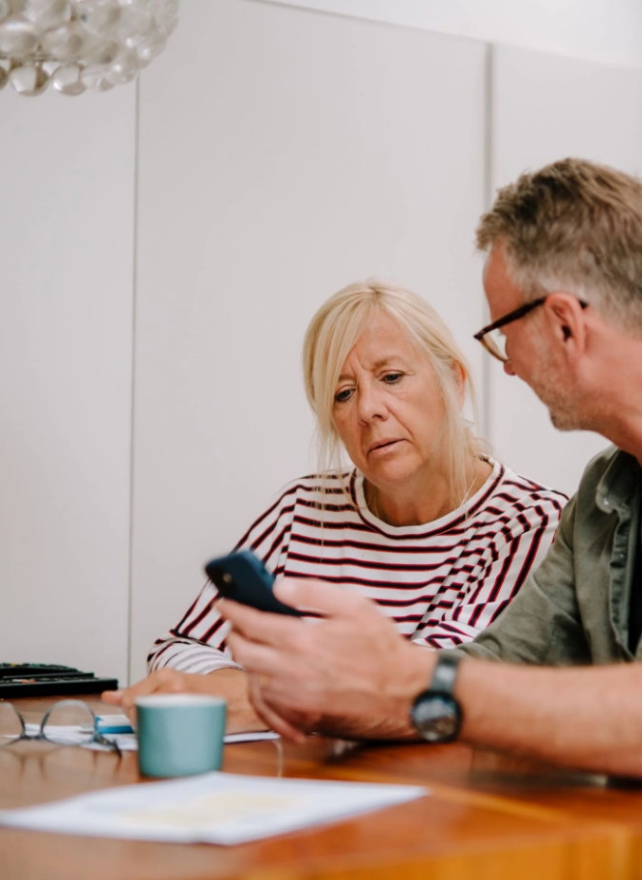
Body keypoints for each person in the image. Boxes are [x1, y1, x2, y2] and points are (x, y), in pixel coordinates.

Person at [219, 157, 642, 778]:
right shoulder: (599, 499)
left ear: (564, 325)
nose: (509, 365)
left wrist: (405, 678)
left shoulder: (531, 516)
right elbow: (496, 668)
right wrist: (342, 687)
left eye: (503, 331)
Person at [103, 282, 565, 731]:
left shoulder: (528, 524)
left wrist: (256, 697)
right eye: (343, 393)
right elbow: (180, 647)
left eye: (391, 377)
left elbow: (436, 687)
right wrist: (255, 691)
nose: (368, 409)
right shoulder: (303, 509)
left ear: (454, 383)